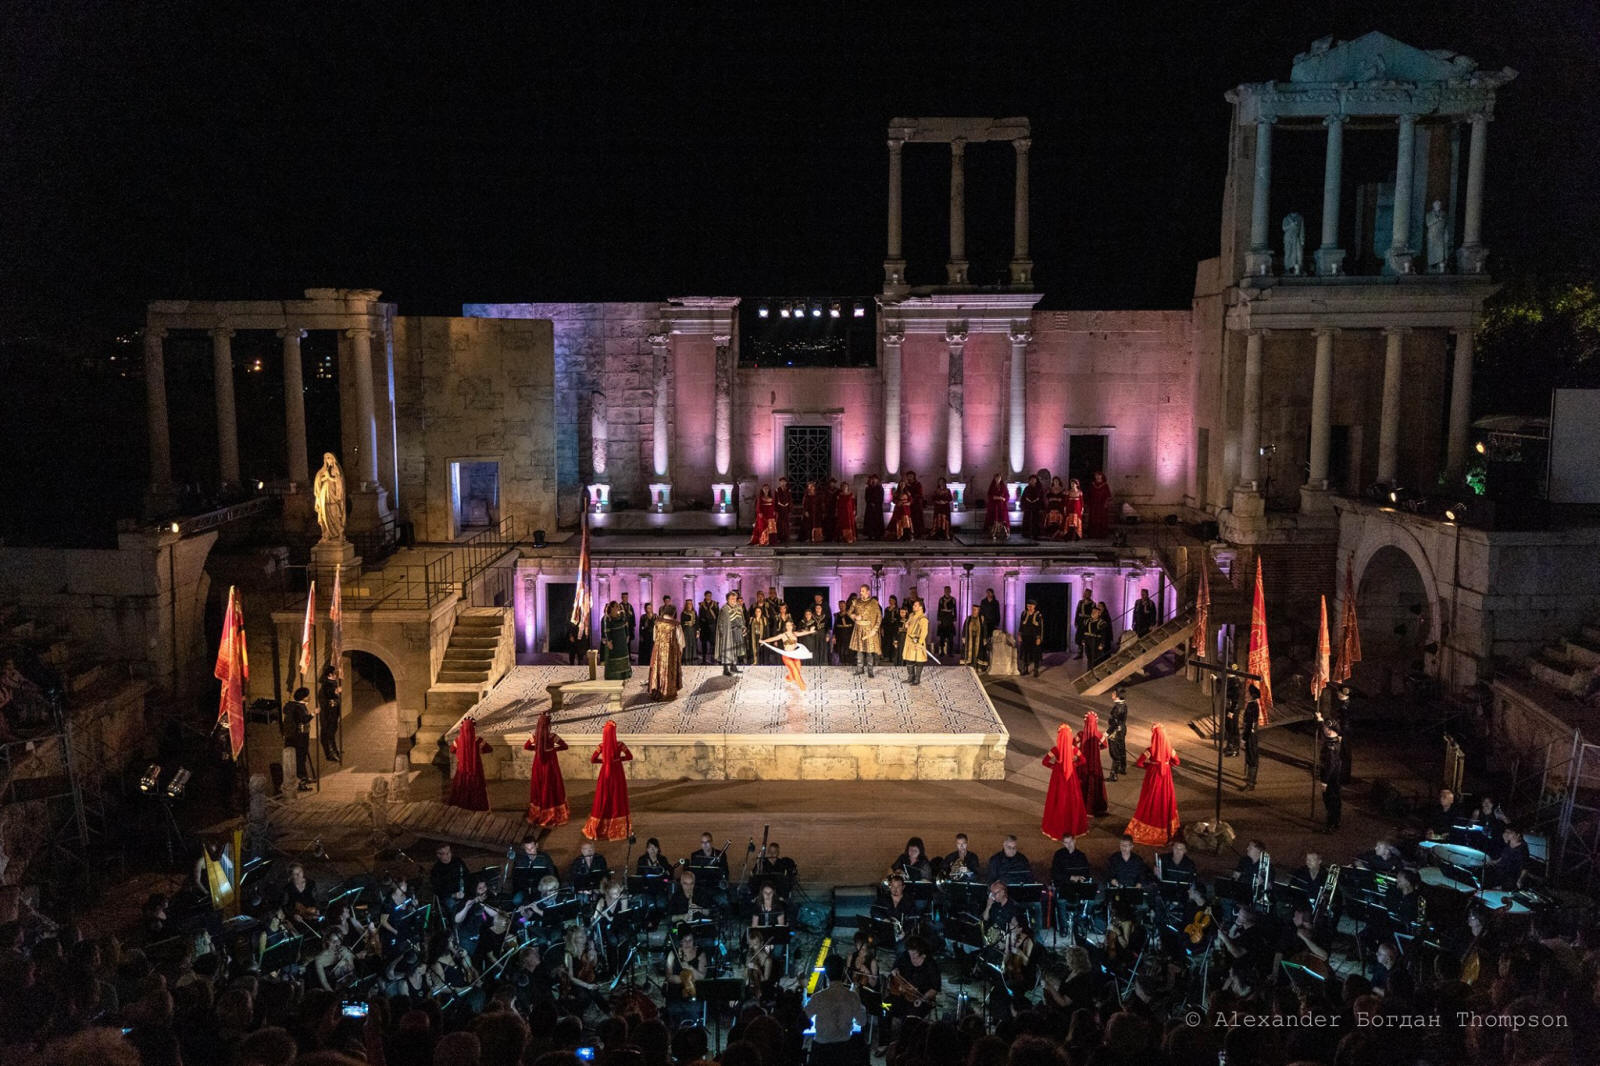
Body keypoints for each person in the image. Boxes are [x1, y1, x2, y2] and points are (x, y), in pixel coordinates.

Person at [806, 955, 868, 1066]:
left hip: (821, 1052)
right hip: (844, 1051)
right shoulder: (852, 996)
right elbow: (862, 1021)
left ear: (826, 974)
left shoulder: (818, 997)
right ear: (843, 972)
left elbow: (802, 1021)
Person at [1125, 723, 1181, 846]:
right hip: (1166, 777)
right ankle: (1167, 829)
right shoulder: (1169, 749)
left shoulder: (1150, 750)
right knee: (1165, 800)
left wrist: (1150, 767)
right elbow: (1177, 762)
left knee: (1151, 801)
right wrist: (1166, 765)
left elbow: (1139, 763)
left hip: (1153, 778)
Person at [582, 720, 632, 841]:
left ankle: (599, 827)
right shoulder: (620, 745)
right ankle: (618, 828)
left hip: (605, 774)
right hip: (617, 775)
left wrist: (604, 762)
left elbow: (593, 759)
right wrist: (618, 760)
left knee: (603, 798)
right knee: (617, 799)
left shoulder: (601, 746)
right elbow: (630, 756)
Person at [1041, 723, 1090, 840]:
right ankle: (1073, 826)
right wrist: (1074, 764)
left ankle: (1056, 827)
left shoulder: (1055, 750)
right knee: (1072, 799)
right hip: (1071, 776)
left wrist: (1054, 766)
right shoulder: (1074, 749)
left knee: (1057, 799)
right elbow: (1083, 760)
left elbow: (1045, 761)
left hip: (1058, 776)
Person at [523, 710, 570, 827]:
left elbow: (526, 746)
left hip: (538, 764)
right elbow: (565, 746)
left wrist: (538, 750)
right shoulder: (552, 736)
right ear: (549, 725)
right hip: (550, 765)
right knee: (551, 786)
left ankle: (539, 813)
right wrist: (553, 750)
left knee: (539, 786)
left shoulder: (535, 737)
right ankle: (554, 813)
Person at [281, 686, 316, 791]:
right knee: (300, 758)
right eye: (307, 696)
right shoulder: (299, 707)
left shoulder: (294, 706)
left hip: (296, 736)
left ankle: (304, 778)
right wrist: (313, 714)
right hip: (300, 737)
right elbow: (303, 719)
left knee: (301, 757)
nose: (309, 697)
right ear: (303, 697)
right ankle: (301, 782)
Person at [648, 605, 684, 701]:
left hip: (658, 652)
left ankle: (657, 691)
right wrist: (680, 651)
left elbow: (654, 638)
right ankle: (668, 692)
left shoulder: (657, 622)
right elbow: (681, 641)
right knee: (668, 670)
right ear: (673, 613)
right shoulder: (676, 624)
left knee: (658, 669)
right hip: (671, 653)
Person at [1078, 711, 1109, 815]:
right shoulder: (1099, 735)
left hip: (1083, 763)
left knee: (1082, 782)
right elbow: (1105, 745)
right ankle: (1093, 807)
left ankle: (1080, 805)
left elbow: (1073, 744)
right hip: (1095, 762)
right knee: (1095, 782)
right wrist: (1096, 749)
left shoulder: (1081, 734)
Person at [848, 584, 882, 678]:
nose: (861, 592)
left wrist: (875, 629)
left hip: (869, 629)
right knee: (859, 650)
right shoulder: (856, 602)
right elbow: (849, 612)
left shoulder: (873, 602)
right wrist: (854, 616)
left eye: (863, 591)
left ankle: (870, 670)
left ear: (868, 592)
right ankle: (860, 669)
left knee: (869, 651)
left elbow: (879, 617)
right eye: (860, 591)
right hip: (859, 628)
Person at [312, 452, 346, 542]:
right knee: (325, 515)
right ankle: (326, 533)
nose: (328, 460)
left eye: (330, 458)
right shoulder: (323, 470)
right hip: (324, 495)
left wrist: (329, 477)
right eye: (326, 458)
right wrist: (322, 478)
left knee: (335, 514)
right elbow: (318, 481)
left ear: (333, 459)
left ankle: (340, 533)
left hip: (333, 496)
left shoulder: (336, 469)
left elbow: (339, 482)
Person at [716, 590, 747, 677]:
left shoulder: (738, 607)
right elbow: (721, 623)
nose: (733, 600)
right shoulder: (724, 609)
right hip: (728, 633)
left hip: (737, 631)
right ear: (727, 599)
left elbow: (741, 619)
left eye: (735, 599)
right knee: (727, 650)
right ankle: (726, 669)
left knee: (735, 650)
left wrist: (743, 627)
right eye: (731, 599)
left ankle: (734, 666)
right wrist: (722, 633)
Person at [316, 664, 342, 763]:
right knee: (328, 733)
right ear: (329, 675)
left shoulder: (333, 682)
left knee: (332, 732)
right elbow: (328, 692)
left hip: (333, 713)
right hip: (328, 714)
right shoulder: (327, 684)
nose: (336, 675)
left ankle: (334, 750)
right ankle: (330, 753)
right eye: (335, 673)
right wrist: (335, 691)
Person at [602, 602, 632, 680]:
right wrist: (609, 641)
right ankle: (615, 675)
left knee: (624, 654)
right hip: (614, 640)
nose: (617, 608)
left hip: (622, 638)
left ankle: (625, 674)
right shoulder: (608, 618)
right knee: (615, 656)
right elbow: (606, 630)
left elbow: (626, 626)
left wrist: (627, 635)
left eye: (618, 606)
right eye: (615, 606)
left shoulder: (622, 615)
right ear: (611, 608)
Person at [902, 599, 929, 685]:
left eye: (915, 605)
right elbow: (908, 623)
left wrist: (920, 642)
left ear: (921, 607)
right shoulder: (911, 615)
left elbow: (924, 631)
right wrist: (906, 624)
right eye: (913, 605)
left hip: (917, 641)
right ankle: (911, 677)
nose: (913, 607)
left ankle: (917, 679)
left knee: (919, 660)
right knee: (909, 659)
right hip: (909, 640)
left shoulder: (923, 619)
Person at [1106, 686, 1129, 781]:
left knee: (1114, 753)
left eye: (1114, 693)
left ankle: (1113, 775)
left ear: (1117, 696)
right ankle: (1123, 768)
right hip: (1122, 729)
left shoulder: (1117, 708)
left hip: (1115, 731)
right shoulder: (1124, 705)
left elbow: (1114, 723)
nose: (1112, 694)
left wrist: (1106, 733)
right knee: (1122, 749)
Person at [1241, 683, 1261, 790]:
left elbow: (1250, 724)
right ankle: (1250, 779)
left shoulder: (1253, 706)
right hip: (1250, 734)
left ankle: (1251, 783)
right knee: (1250, 756)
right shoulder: (1251, 705)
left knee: (1252, 757)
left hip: (1251, 736)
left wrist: (1244, 738)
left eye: (1248, 693)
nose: (1246, 694)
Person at [1018, 600, 1043, 677]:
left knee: (1035, 653)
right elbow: (1021, 625)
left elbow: (1040, 627)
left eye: (1031, 606)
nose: (1029, 607)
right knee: (1025, 653)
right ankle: (1025, 669)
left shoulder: (1038, 615)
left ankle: (1036, 669)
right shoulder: (1024, 613)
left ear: (1034, 606)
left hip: (1034, 637)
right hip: (1025, 636)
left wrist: (1039, 638)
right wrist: (1019, 635)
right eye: (1028, 606)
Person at [1084, 471, 1112, 539]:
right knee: (1093, 519)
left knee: (1101, 519)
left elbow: (1108, 496)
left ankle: (1101, 535)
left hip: (1102, 506)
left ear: (1102, 476)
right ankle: (1092, 534)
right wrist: (1087, 503)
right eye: (1096, 475)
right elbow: (1088, 495)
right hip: (1094, 505)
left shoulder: (1105, 486)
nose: (1098, 477)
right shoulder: (1092, 485)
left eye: (1099, 475)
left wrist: (1106, 503)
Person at [961, 604, 988, 670]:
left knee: (979, 652)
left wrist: (985, 638)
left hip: (979, 639)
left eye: (975, 610)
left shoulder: (982, 619)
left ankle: (978, 666)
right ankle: (969, 664)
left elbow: (985, 629)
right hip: (970, 639)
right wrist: (963, 636)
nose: (974, 611)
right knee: (969, 651)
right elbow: (964, 627)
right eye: (973, 610)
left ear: (978, 611)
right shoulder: (968, 618)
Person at [984, 474, 1010, 539]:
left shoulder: (1003, 486)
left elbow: (1007, 495)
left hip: (1002, 506)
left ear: (1001, 479)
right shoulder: (992, 486)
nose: (998, 479)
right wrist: (995, 497)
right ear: (994, 479)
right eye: (996, 478)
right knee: (994, 518)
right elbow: (989, 495)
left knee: (1003, 519)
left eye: (999, 478)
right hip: (994, 506)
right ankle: (993, 533)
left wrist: (1004, 499)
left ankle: (1003, 534)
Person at [1072, 587, 1095, 660]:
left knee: (1086, 637)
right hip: (1080, 622)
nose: (1085, 595)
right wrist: (1076, 621)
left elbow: (1093, 613)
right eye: (1085, 593)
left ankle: (1088, 652)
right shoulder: (1080, 602)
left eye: (1087, 593)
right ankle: (1080, 653)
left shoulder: (1092, 604)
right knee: (1079, 637)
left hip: (1087, 622)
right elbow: (1077, 612)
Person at [935, 586, 958, 659]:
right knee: (942, 637)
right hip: (943, 619)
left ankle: (950, 652)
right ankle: (942, 651)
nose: (947, 591)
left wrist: (954, 619)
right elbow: (939, 609)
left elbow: (955, 610)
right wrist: (939, 619)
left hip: (950, 619)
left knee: (951, 637)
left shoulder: (953, 600)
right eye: (946, 590)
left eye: (948, 590)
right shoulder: (941, 599)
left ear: (950, 591)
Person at [696, 593, 719, 665]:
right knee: (704, 643)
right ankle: (704, 659)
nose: (708, 597)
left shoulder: (715, 604)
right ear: (705, 596)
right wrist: (699, 626)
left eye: (710, 596)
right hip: (704, 627)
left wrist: (717, 625)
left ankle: (713, 658)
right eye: (707, 596)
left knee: (713, 643)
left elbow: (717, 615)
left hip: (712, 626)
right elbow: (699, 616)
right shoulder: (701, 604)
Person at [1020, 475, 1044, 539]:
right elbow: (1023, 497)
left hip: (1036, 506)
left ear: (1036, 480)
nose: (1033, 481)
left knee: (1035, 520)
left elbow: (1041, 498)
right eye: (1031, 480)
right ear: (1029, 481)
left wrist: (1041, 506)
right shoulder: (1027, 488)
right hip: (1028, 506)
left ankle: (1035, 534)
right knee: (1027, 520)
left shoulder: (1039, 488)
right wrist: (1023, 505)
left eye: (1034, 479)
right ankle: (1026, 533)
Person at [863, 474, 885, 540]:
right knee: (869, 521)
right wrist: (870, 503)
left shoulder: (880, 488)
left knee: (877, 521)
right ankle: (870, 535)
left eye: (875, 479)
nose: (873, 480)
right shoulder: (868, 488)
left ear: (877, 480)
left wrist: (876, 503)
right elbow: (866, 497)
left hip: (877, 507)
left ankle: (877, 535)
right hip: (870, 507)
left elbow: (881, 498)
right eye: (872, 479)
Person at [773, 476, 793, 542]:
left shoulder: (788, 490)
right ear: (780, 483)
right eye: (781, 482)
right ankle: (779, 537)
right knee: (779, 523)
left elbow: (790, 499)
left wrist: (789, 507)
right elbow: (775, 500)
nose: (783, 483)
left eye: (784, 482)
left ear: (786, 482)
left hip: (786, 508)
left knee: (786, 523)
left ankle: (786, 537)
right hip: (779, 509)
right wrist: (775, 509)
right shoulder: (777, 490)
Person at [638, 601, 656, 666]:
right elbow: (641, 627)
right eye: (648, 608)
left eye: (650, 607)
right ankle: (645, 663)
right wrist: (641, 636)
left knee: (652, 649)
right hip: (646, 636)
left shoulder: (655, 616)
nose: (649, 609)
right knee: (646, 650)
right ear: (645, 609)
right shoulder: (643, 617)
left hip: (653, 635)